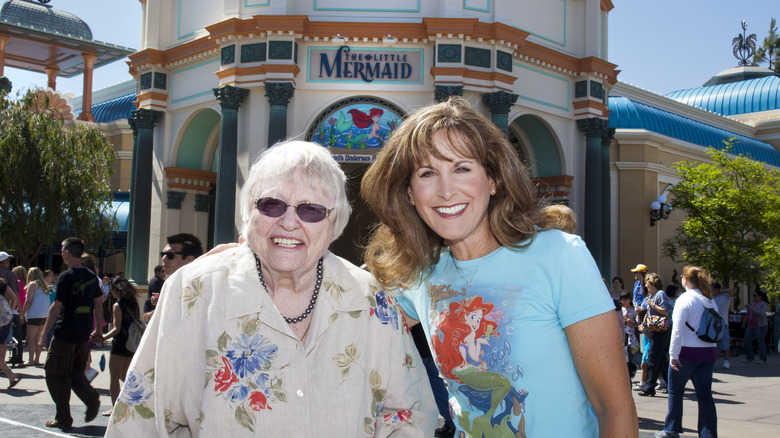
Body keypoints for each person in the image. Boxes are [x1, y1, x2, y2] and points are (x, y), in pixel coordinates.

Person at [105, 141, 436, 436]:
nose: (289, 223)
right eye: (272, 205)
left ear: (334, 224)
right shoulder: (194, 291)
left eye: (311, 209)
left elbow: (408, 414)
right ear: (249, 212)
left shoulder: (371, 300)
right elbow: (141, 417)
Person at [360, 97, 636, 436]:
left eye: (462, 168)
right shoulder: (417, 275)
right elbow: (347, 321)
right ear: (409, 194)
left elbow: (615, 409)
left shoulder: (560, 256)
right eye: (428, 173)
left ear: (493, 180)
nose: (446, 190)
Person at [38, 237, 104, 432]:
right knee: (74, 372)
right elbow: (99, 303)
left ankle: (64, 417)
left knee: (54, 373)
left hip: (65, 332)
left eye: (62, 250)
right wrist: (98, 329)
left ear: (67, 253)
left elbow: (56, 307)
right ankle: (90, 398)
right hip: (83, 333)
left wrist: (44, 334)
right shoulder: (92, 276)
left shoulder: (67, 276)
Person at [656, 265, 718, 438]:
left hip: (686, 353)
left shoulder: (684, 299)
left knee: (676, 391)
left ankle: (671, 428)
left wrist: (673, 354)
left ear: (686, 280)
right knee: (705, 396)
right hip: (709, 352)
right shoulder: (710, 300)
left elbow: (677, 329)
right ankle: (708, 434)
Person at [100, 276, 140, 417]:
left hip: (119, 344)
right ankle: (135, 401)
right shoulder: (134, 304)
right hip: (131, 344)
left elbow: (116, 328)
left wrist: (102, 337)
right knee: (125, 375)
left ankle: (115, 408)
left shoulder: (118, 305)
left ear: (116, 290)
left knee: (114, 378)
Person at [143, 234, 204, 322]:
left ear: (190, 259)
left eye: (170, 255)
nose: (164, 258)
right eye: (162, 254)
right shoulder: (170, 283)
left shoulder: (201, 286)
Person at [411, 324, 456, 438]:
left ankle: (451, 421)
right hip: (430, 347)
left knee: (412, 386)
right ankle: (452, 420)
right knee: (435, 383)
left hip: (417, 348)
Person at [637, 273, 671, 397]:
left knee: (653, 358)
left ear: (652, 283)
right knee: (661, 359)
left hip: (661, 331)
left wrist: (653, 305)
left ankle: (650, 386)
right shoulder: (652, 295)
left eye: (647, 283)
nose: (646, 285)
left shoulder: (660, 294)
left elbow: (665, 311)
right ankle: (671, 384)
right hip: (655, 330)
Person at [21, 267, 52, 366]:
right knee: (38, 338)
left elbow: (28, 300)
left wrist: (22, 313)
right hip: (44, 314)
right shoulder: (44, 286)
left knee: (30, 338)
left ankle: (30, 359)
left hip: (34, 314)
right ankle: (37, 359)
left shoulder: (32, 284)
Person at [0, 278, 21, 389]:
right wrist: (9, 312)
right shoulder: (2, 283)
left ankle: (12, 376)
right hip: (5, 318)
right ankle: (11, 376)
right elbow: (14, 297)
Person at [711, 283, 735, 368]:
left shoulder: (725, 297)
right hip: (712, 323)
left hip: (722, 322)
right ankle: (712, 360)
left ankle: (726, 361)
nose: (711, 290)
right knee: (712, 343)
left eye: (713, 289)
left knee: (725, 342)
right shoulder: (712, 299)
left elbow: (732, 291)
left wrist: (721, 291)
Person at [742, 289, 768, 364]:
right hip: (751, 325)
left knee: (760, 342)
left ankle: (763, 358)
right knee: (747, 339)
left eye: (755, 296)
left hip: (760, 326)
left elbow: (761, 313)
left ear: (760, 297)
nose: (754, 297)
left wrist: (750, 308)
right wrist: (744, 322)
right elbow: (748, 314)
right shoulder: (752, 303)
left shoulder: (763, 304)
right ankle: (749, 357)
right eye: (753, 295)